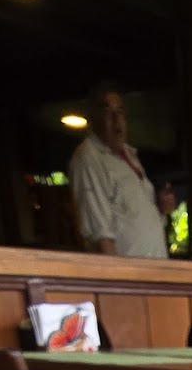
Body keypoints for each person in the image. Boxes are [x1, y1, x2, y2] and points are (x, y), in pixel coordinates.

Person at [69, 83, 167, 259]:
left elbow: (134, 220)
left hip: (154, 268)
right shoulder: (89, 157)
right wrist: (118, 274)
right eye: (107, 112)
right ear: (92, 118)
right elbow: (100, 235)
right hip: (130, 273)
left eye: (120, 112)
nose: (116, 119)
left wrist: (162, 211)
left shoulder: (130, 156)